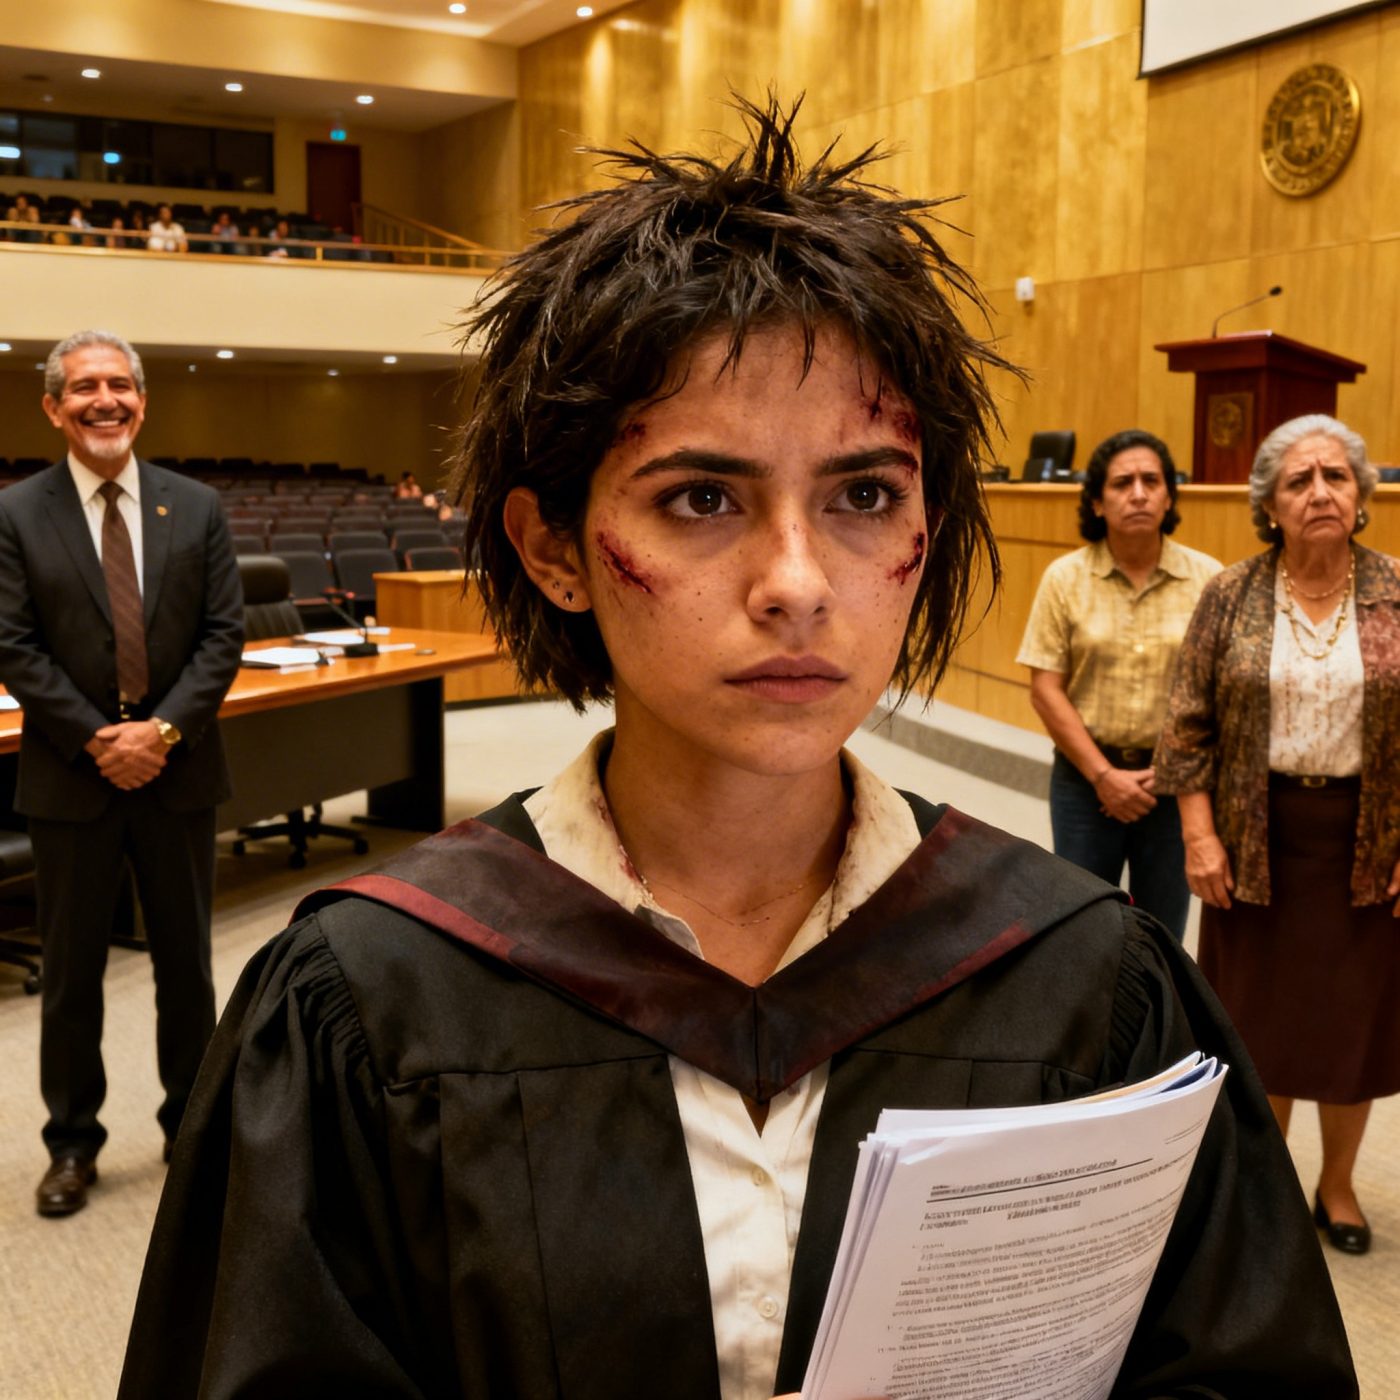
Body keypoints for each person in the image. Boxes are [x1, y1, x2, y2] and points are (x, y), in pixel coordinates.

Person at [120, 101, 1355, 1399]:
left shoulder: (1085, 983)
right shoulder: (370, 1004)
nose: (797, 582)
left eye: (864, 495)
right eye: (702, 498)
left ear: (928, 533)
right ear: (551, 548)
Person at [0, 330, 243, 1217]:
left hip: (178, 776)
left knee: (188, 968)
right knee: (70, 977)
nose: (103, 400)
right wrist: (102, 738)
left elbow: (224, 637)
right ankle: (71, 1144)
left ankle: (193, 1128)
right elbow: (12, 644)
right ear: (52, 407)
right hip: (72, 779)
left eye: (118, 385)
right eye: (83, 388)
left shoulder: (197, 506)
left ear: (142, 400)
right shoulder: (18, 513)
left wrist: (161, 733)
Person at [1156, 413, 1400, 1257]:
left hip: (1368, 843)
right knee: (1255, 1022)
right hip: (1251, 842)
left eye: (1336, 476)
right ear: (1269, 506)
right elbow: (1185, 725)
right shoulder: (1230, 593)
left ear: (1363, 495)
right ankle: (1262, 1185)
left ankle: (1337, 1185)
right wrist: (1198, 833)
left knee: (1350, 1024)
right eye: (1299, 481)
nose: (1320, 493)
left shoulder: (1398, 591)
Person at [1017, 430, 1220, 940]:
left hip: (1175, 787)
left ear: (1169, 496)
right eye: (1122, 482)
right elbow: (1046, 688)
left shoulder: (1209, 580)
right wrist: (1104, 775)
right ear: (1098, 501)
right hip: (1085, 783)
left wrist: (1171, 766)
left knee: (1162, 933)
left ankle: (1154, 1021)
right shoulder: (1064, 578)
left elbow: (1220, 693)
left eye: (1152, 481)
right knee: (1081, 925)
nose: (1138, 493)